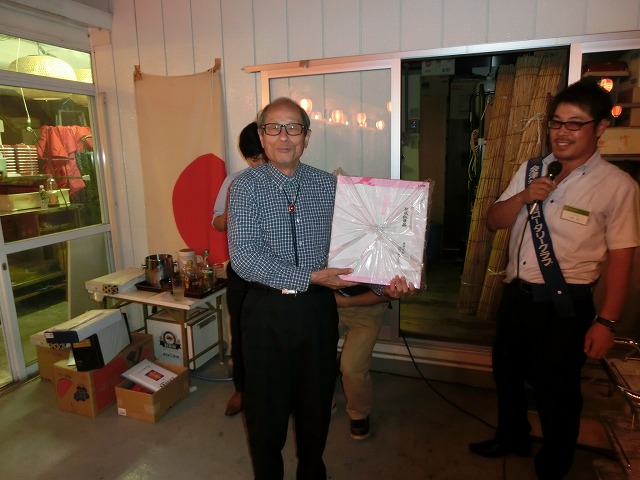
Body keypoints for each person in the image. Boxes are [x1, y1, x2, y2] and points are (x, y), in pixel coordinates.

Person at [468, 79, 640, 480]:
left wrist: (607, 322)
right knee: (506, 374)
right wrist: (523, 196)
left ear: (600, 127)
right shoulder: (532, 170)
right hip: (517, 297)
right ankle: (512, 436)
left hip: (565, 305)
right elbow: (494, 220)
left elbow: (622, 261)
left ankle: (554, 464)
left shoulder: (617, 187)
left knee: (557, 391)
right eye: (556, 123)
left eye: (575, 124)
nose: (562, 132)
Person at [227, 97, 361, 479]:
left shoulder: (328, 186)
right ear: (261, 136)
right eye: (274, 128)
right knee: (265, 411)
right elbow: (245, 259)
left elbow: (355, 244)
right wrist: (311, 277)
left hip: (316, 311)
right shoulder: (245, 187)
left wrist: (387, 279)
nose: (284, 136)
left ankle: (312, 471)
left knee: (315, 404)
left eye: (293, 127)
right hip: (266, 312)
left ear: (307, 136)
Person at [212, 121, 266, 416]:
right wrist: (235, 209)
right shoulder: (235, 181)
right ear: (246, 158)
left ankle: (280, 391)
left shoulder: (284, 179)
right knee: (240, 329)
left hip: (276, 271)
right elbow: (217, 222)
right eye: (255, 159)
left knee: (276, 331)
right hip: (243, 270)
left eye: (264, 158)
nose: (260, 164)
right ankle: (242, 390)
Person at [336, 278, 414, 440]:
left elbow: (389, 294)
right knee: (315, 355)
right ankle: (321, 400)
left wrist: (345, 302)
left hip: (368, 309)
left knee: (352, 367)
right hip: (328, 305)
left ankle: (359, 412)